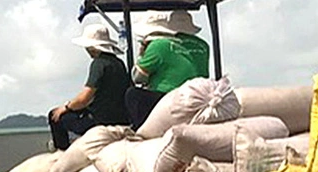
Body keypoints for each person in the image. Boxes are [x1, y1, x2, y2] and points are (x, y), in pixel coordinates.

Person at [49, 19, 132, 150]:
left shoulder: (98, 64)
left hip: (99, 120)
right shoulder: (118, 63)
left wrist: (66, 107)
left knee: (55, 116)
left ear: (92, 47)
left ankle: (62, 150)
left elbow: (84, 98)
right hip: (120, 117)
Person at [126, 9, 211, 127]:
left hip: (167, 97)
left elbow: (137, 77)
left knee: (132, 94)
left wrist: (142, 55)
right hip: (198, 95)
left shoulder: (160, 45)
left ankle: (140, 129)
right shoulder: (203, 45)